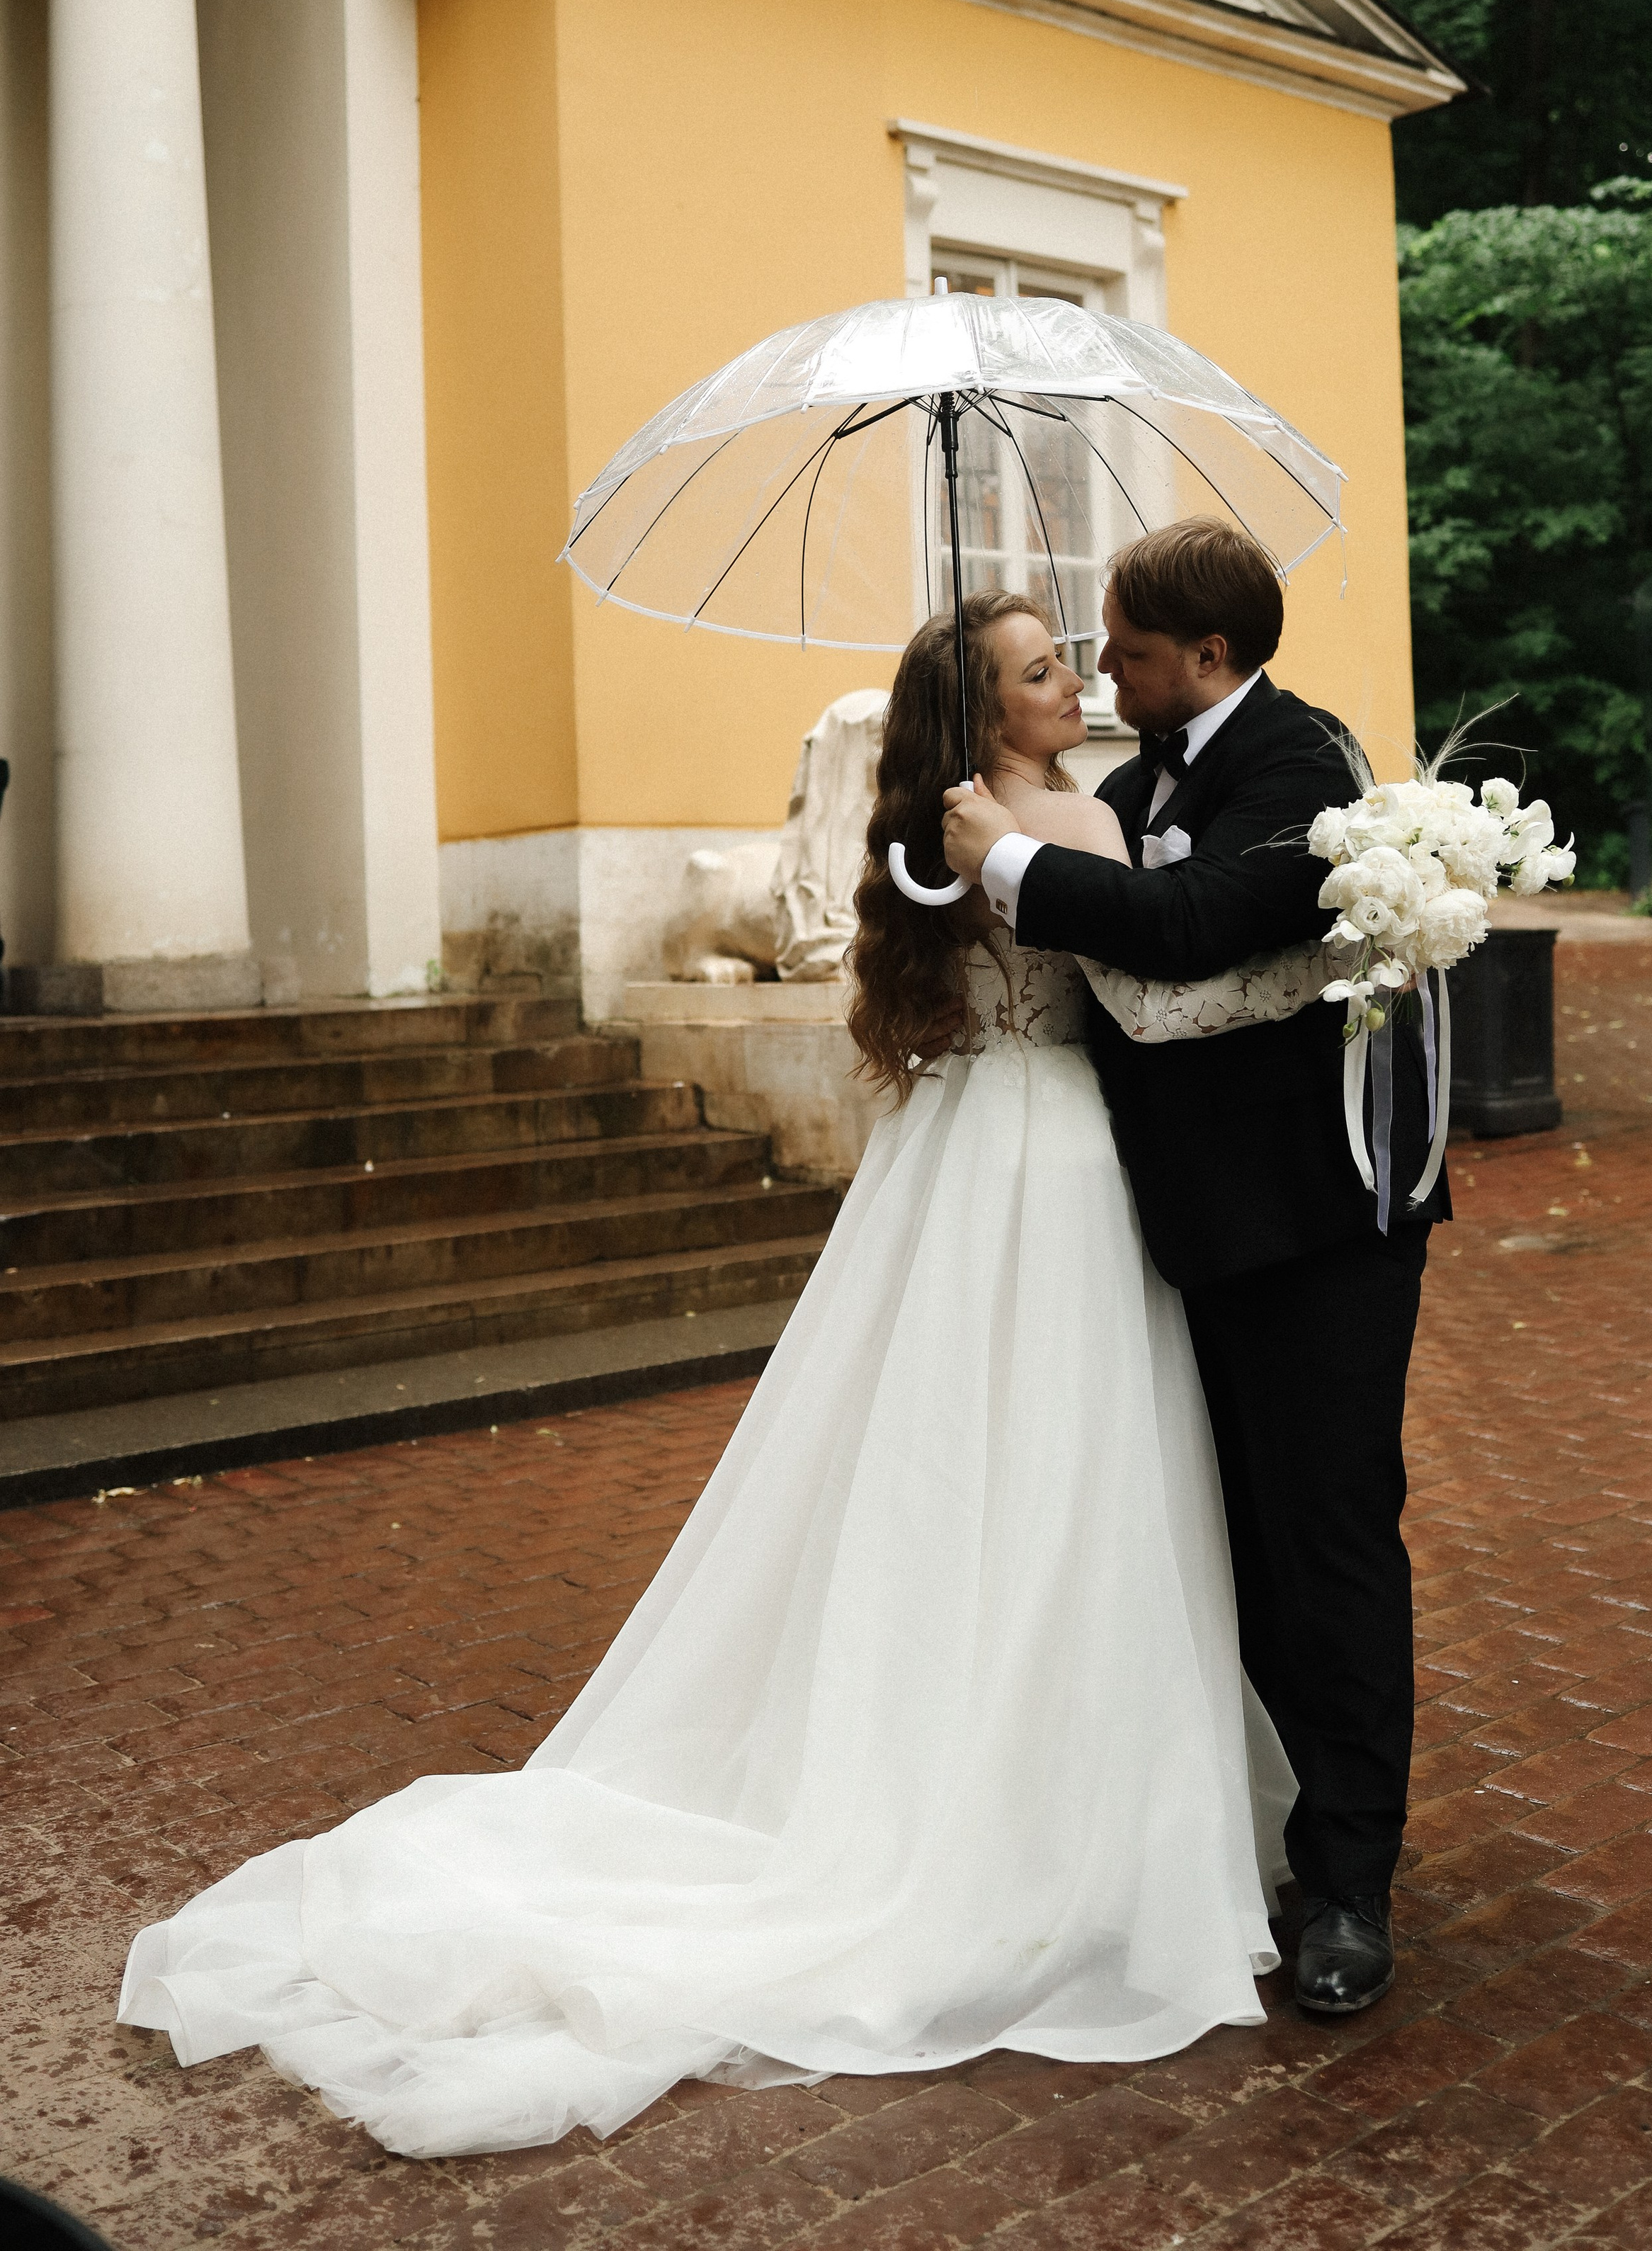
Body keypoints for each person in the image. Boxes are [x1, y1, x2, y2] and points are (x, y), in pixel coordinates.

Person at [117, 589, 1315, 2162]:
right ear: (979, 711)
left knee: (1090, 1477)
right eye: (1035, 670)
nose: (1069, 679)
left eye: (1063, 661)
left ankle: (1097, 1799)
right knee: (989, 1455)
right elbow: (1089, 973)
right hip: (1016, 1162)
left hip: (1067, 1155)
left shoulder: (1075, 801)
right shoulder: (954, 829)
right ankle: (978, 1812)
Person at [944, 521, 1450, 2019]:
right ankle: (1268, 1827)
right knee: (1233, 1543)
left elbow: (1187, 930)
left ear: (1208, 659)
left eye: (1128, 647)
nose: (1105, 668)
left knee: (1331, 1541)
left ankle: (1348, 1883)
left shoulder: (1298, 767)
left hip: (1319, 1229)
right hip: (1189, 1234)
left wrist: (1014, 859)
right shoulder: (1132, 782)